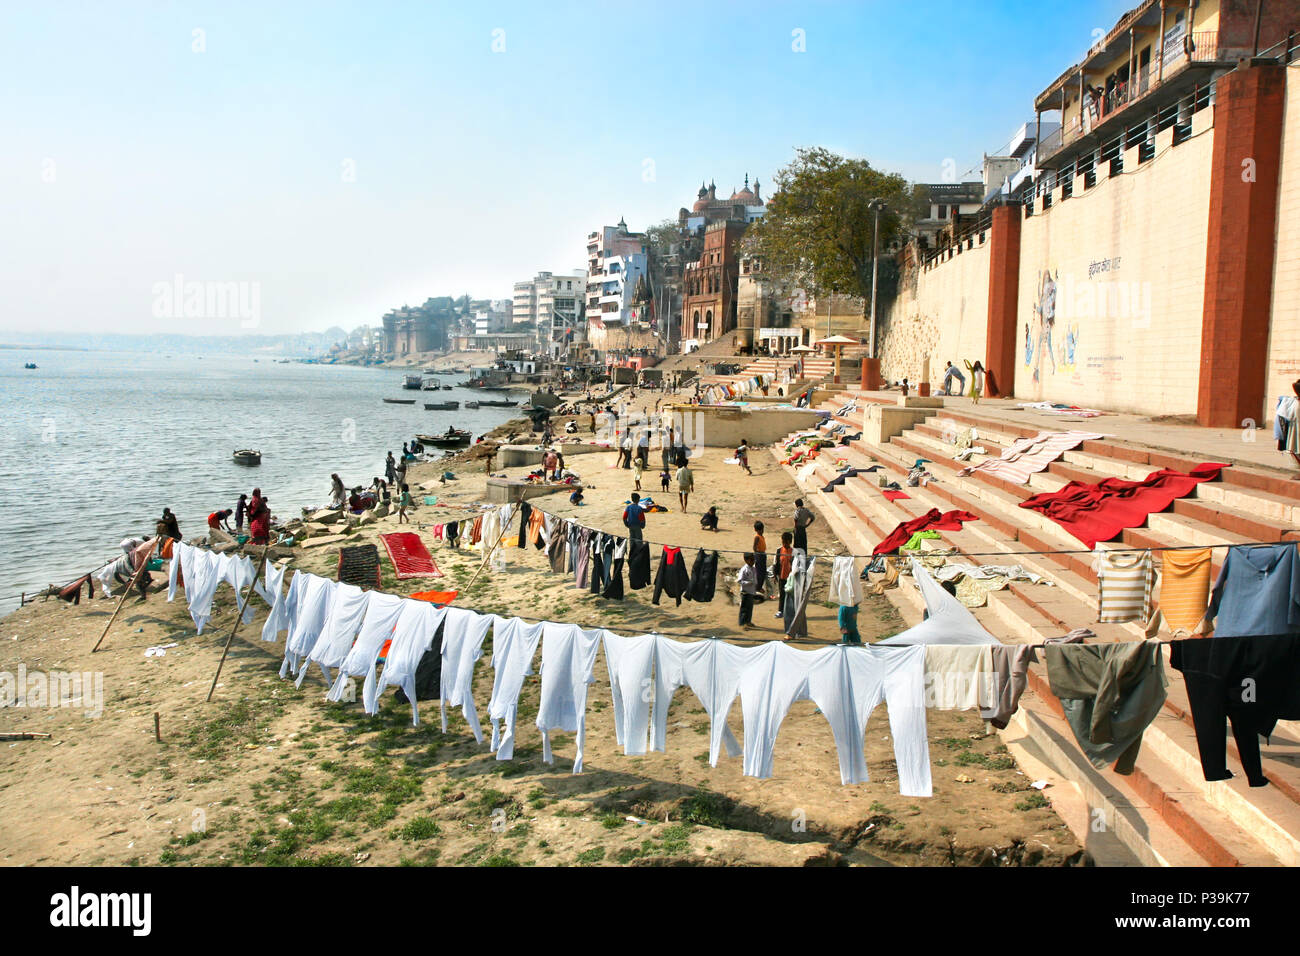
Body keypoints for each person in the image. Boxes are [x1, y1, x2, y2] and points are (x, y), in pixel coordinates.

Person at [774, 531, 794, 616]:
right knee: (782, 594)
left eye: (786, 542)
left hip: (790, 578)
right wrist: (775, 575)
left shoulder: (793, 552)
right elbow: (775, 563)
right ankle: (780, 610)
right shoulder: (779, 551)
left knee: (790, 595)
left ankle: (790, 611)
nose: (784, 544)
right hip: (781, 576)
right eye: (783, 542)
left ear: (790, 542)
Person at [738, 553, 758, 629]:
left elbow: (755, 579)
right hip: (745, 591)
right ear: (746, 560)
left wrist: (757, 587)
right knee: (744, 608)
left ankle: (748, 621)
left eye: (754, 560)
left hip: (751, 591)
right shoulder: (744, 569)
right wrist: (748, 583)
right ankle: (743, 623)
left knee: (750, 608)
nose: (753, 561)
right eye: (751, 560)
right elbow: (740, 581)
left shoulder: (753, 568)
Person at [752, 521, 768, 598]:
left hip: (763, 554)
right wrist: (757, 554)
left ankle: (759, 586)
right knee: (759, 572)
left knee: (763, 572)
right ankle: (757, 587)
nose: (761, 531)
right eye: (760, 530)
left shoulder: (762, 536)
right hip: (759, 555)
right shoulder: (757, 537)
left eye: (762, 529)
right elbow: (754, 547)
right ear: (756, 530)